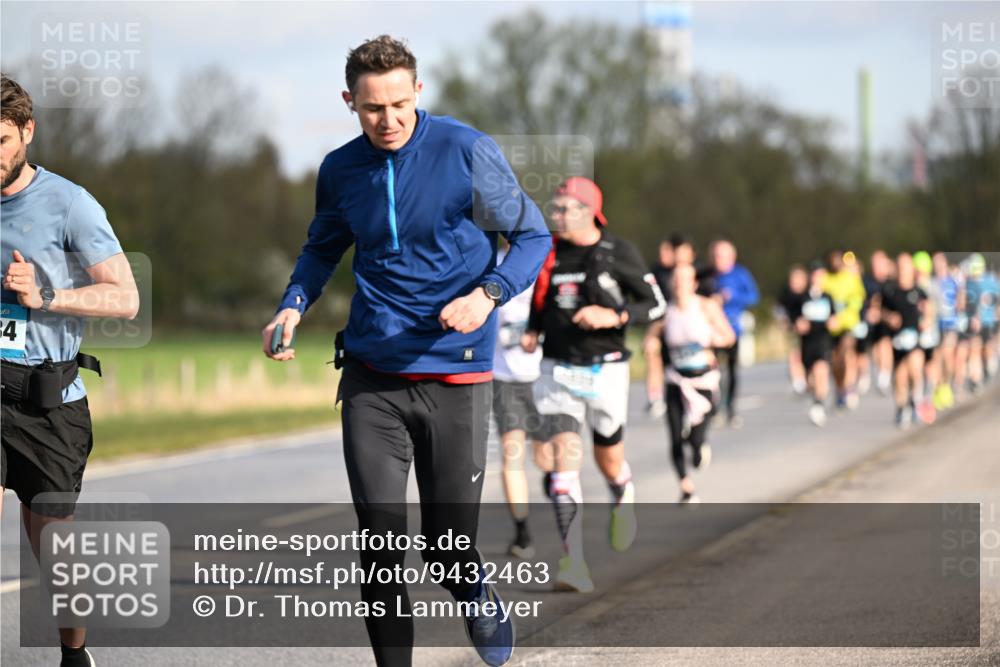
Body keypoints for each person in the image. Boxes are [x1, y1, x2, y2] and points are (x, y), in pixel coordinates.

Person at [260, 37, 550, 667]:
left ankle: (473, 587)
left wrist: (489, 294)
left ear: (418, 91)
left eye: (398, 103)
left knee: (447, 548)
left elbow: (532, 237)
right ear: (350, 103)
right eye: (371, 108)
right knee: (381, 544)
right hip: (373, 376)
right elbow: (321, 247)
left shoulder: (465, 150)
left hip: (457, 372)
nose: (387, 120)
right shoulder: (341, 170)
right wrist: (293, 303)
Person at [1, 74, 140, 667]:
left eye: (0, 139)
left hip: (46, 406)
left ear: (27, 133)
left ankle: (74, 655)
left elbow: (126, 298)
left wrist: (48, 296)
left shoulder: (69, 203)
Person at [522, 176, 666, 592]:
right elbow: (541, 297)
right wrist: (534, 329)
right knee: (563, 461)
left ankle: (622, 490)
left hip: (606, 370)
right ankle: (573, 563)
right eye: (555, 207)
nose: (557, 215)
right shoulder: (547, 251)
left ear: (589, 212)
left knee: (607, 459)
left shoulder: (617, 252)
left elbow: (655, 304)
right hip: (557, 368)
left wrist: (615, 317)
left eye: (565, 208)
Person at [647, 263, 734, 504]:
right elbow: (652, 336)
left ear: (694, 283)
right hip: (676, 379)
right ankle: (686, 488)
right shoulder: (666, 312)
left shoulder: (706, 307)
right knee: (674, 435)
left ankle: (698, 447)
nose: (679, 284)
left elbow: (729, 336)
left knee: (695, 438)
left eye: (684, 279)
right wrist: (651, 344)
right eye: (675, 279)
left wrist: (713, 339)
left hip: (703, 379)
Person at [491, 242, 544, 560]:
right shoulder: (489, 261)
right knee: (512, 454)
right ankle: (522, 532)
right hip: (504, 377)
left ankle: (562, 500)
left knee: (547, 458)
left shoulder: (545, 259)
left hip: (544, 376)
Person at [708, 239, 759, 428]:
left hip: (732, 330)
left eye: (722, 256)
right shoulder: (708, 275)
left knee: (730, 371)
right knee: (713, 371)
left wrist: (733, 296)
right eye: (715, 255)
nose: (718, 259)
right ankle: (714, 408)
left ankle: (730, 409)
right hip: (711, 331)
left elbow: (754, 296)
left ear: (732, 257)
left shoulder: (740, 274)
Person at [881, 253, 931, 428]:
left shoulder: (919, 291)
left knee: (916, 367)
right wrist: (889, 318)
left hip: (915, 338)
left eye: (906, 266)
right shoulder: (890, 291)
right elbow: (880, 310)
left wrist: (927, 320)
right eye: (900, 267)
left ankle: (917, 400)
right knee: (900, 377)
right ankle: (902, 407)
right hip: (898, 341)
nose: (903, 270)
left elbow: (928, 309)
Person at [793, 262, 837, 426]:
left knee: (822, 371)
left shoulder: (828, 297)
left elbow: (835, 318)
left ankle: (818, 404)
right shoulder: (802, 297)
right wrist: (798, 324)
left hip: (823, 341)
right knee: (811, 379)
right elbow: (794, 320)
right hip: (807, 343)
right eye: (816, 275)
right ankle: (815, 398)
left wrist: (834, 322)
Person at [822, 250, 866, 409]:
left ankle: (849, 387)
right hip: (830, 329)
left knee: (847, 355)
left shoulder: (851, 280)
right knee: (835, 362)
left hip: (847, 325)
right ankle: (839, 388)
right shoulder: (825, 280)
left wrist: (840, 318)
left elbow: (856, 302)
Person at [643, 236, 676, 418]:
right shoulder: (654, 272)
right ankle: (655, 397)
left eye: (667, 251)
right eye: (661, 251)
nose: (662, 255)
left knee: (672, 362)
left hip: (676, 322)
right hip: (657, 322)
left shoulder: (680, 271)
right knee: (652, 356)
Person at [931, 252, 960, 410]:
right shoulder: (931, 283)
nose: (938, 266)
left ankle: (947, 385)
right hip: (935, 327)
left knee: (948, 357)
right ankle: (938, 389)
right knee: (936, 358)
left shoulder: (953, 281)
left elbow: (961, 300)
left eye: (940, 262)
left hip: (950, 325)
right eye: (935, 263)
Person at [776, 265, 808, 396]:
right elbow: (779, 310)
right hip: (792, 327)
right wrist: (784, 323)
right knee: (794, 353)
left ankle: (806, 376)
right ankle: (797, 379)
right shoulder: (786, 294)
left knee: (806, 354)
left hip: (808, 329)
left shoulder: (809, 293)